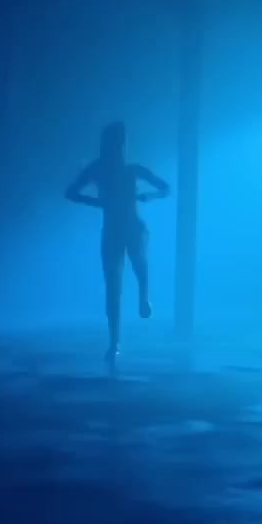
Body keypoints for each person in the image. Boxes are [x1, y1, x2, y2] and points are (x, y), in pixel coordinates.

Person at [65, 122, 170, 365]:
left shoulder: (126, 170)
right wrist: (97, 203)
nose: (120, 148)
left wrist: (149, 195)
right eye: (119, 143)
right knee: (115, 285)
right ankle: (115, 342)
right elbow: (70, 192)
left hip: (128, 228)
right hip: (117, 230)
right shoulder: (104, 169)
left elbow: (164, 188)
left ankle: (142, 298)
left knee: (136, 266)